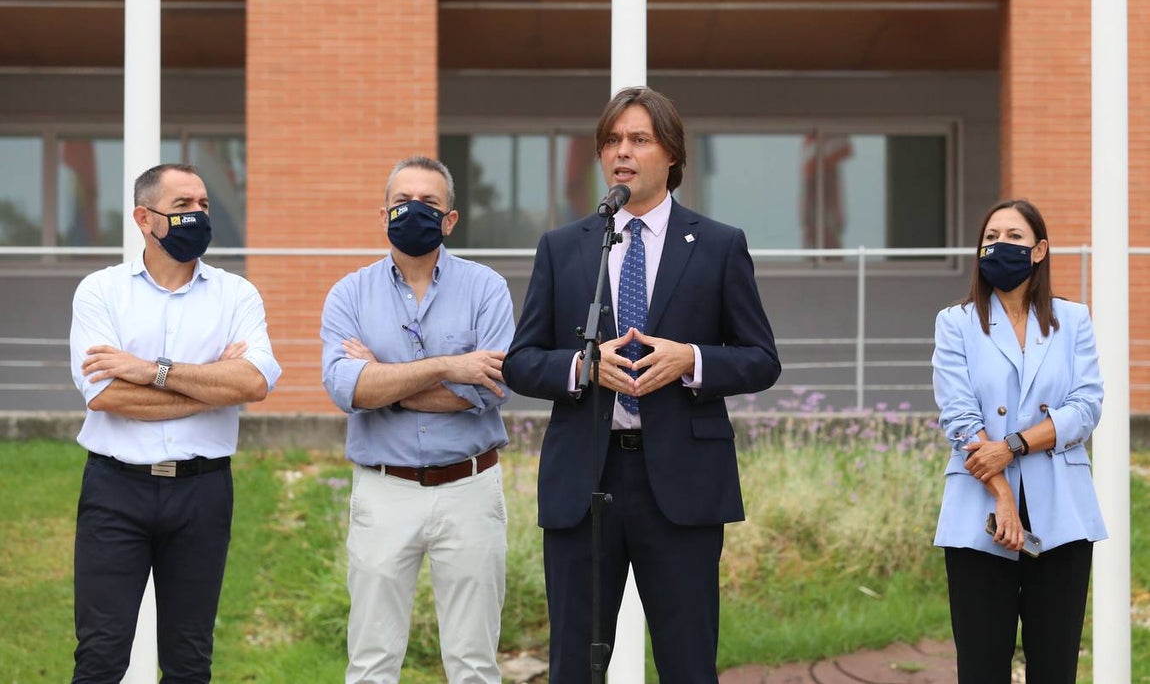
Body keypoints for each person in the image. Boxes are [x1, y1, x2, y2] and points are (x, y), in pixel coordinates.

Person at [502, 86, 782, 683]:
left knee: (686, 664)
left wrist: (693, 360)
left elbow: (761, 359)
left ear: (672, 155)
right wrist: (581, 367)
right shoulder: (564, 247)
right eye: (611, 141)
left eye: (638, 139)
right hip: (586, 481)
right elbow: (522, 361)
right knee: (575, 666)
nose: (621, 152)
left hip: (681, 488)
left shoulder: (718, 245)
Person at [68, 163, 282, 683]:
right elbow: (106, 396)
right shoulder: (100, 292)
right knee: (100, 656)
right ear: (145, 217)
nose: (198, 216)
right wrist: (213, 382)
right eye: (183, 206)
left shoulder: (237, 295)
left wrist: (151, 371)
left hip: (202, 492)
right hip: (115, 490)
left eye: (204, 206)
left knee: (190, 660)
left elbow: (254, 384)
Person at [320, 156, 515, 684]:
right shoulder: (349, 295)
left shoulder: (486, 289)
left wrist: (385, 380)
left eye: (428, 203)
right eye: (402, 201)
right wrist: (451, 367)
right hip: (385, 491)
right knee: (371, 663)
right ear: (383, 214)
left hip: (470, 487)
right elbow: (347, 388)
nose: (413, 211)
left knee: (474, 664)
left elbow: (493, 387)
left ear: (450, 219)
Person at [931, 198, 1106, 683]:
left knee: (1055, 665)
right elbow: (959, 414)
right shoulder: (956, 322)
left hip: (1063, 513)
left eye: (1013, 237)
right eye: (990, 237)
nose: (998, 246)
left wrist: (1013, 445)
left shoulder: (1073, 321)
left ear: (1039, 250)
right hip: (980, 513)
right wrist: (1003, 496)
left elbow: (1086, 406)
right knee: (982, 665)